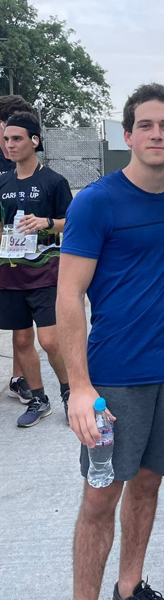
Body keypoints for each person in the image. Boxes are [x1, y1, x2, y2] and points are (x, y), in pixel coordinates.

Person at [33, 84, 164, 600]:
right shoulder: (96, 203)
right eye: (145, 125)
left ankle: (129, 589)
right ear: (128, 134)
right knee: (100, 500)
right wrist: (78, 387)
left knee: (149, 486)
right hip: (113, 383)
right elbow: (67, 295)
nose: (157, 134)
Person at [0, 111, 72, 427]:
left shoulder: (54, 181)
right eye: (5, 139)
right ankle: (39, 400)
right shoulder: (2, 182)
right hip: (10, 273)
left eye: (16, 138)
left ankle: (70, 393)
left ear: (34, 141)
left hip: (45, 272)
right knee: (21, 340)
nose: (9, 145)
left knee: (51, 341)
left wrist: (47, 223)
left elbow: (72, 224)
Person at [0, 94, 40, 405]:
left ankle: (18, 377)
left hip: (17, 257)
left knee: (19, 325)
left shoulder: (18, 159)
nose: (10, 139)